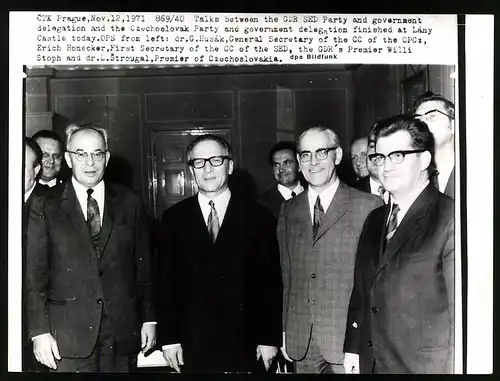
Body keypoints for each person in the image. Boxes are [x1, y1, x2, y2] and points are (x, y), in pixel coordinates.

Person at [26, 125, 156, 372]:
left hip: (121, 333)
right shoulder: (45, 205)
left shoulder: (130, 202)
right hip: (66, 337)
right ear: (68, 158)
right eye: (81, 154)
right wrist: (39, 332)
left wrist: (149, 318)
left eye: (97, 153)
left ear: (107, 157)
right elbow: (34, 276)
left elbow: (144, 267)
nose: (90, 162)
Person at [157, 134, 282, 373]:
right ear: (191, 169)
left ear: (230, 165)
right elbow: (165, 283)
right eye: (199, 162)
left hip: (247, 344)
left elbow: (270, 284)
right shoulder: (174, 218)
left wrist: (268, 338)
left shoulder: (259, 217)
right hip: (192, 345)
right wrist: (170, 339)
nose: (208, 169)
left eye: (215, 160)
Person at [343, 115, 454, 374]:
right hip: (373, 363)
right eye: (380, 157)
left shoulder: (449, 217)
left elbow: (459, 316)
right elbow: (361, 291)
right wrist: (352, 348)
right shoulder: (375, 219)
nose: (386, 167)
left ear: (424, 159)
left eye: (397, 156)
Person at [278, 126, 381, 373]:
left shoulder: (369, 206)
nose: (313, 162)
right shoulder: (288, 210)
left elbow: (373, 284)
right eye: (305, 155)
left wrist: (362, 340)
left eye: (322, 152)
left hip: (348, 341)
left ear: (337, 156)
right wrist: (284, 330)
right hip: (301, 339)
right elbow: (287, 276)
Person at [413, 92, 455, 198]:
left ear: (454, 126)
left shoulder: (475, 173)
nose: (423, 124)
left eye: (432, 116)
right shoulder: (414, 179)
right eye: (418, 120)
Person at [259, 141, 305, 219]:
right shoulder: (263, 203)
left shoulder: (313, 195)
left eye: (287, 163)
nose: (281, 169)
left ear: (299, 166)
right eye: (276, 165)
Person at [354, 124, 389, 204]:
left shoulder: (409, 191)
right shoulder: (351, 194)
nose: (376, 152)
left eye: (383, 145)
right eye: (372, 146)